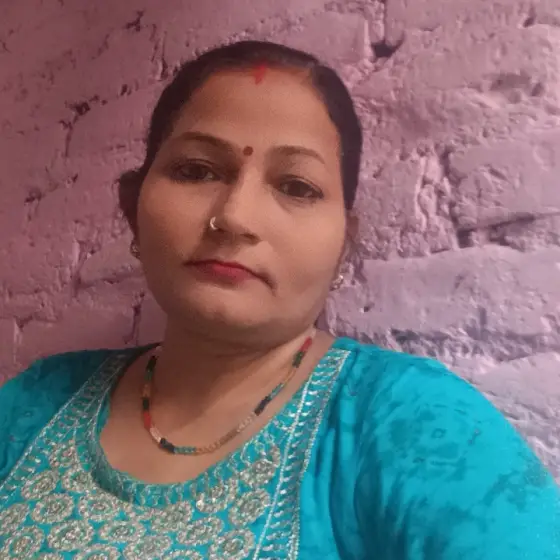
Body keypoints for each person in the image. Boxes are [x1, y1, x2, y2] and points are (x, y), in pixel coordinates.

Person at [0, 40, 558, 560]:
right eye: (196, 170)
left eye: (296, 186)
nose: (235, 217)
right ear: (132, 210)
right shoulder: (35, 403)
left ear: (344, 243)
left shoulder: (411, 424)